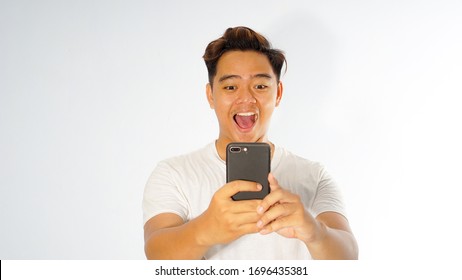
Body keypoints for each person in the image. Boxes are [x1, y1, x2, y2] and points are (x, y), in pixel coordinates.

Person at [142, 26, 358, 260]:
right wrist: (205, 229)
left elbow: (348, 257)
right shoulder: (173, 174)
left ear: (278, 94)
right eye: (230, 87)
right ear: (211, 96)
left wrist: (314, 231)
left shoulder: (314, 175)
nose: (245, 98)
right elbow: (156, 255)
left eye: (260, 86)